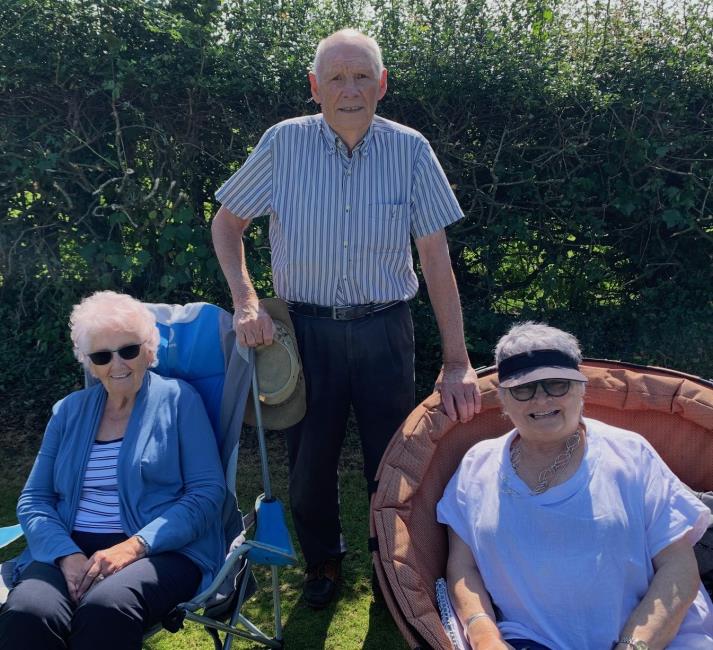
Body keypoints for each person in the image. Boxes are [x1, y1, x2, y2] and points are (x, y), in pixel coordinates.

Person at [211, 28, 481, 608]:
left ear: (382, 84)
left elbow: (435, 258)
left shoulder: (411, 149)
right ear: (315, 87)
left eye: (362, 76)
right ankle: (325, 564)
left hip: (387, 329)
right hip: (304, 334)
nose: (350, 89)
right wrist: (247, 300)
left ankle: (392, 570)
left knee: (396, 461)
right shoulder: (283, 144)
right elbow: (227, 224)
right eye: (336, 77)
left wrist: (457, 361)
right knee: (309, 466)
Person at [437, 321, 713, 650]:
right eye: (523, 388)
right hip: (530, 642)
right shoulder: (475, 465)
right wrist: (484, 635)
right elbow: (462, 567)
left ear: (582, 389)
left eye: (557, 384)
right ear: (503, 399)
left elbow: (679, 568)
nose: (541, 399)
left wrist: (633, 646)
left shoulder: (631, 454)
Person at [0, 291, 225, 650]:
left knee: (106, 608)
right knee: (29, 612)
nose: (117, 364)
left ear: (149, 349)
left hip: (159, 549)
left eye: (129, 350)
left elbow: (207, 492)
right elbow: (34, 499)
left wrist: (134, 547)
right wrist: (65, 553)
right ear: (90, 363)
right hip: (70, 546)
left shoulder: (180, 400)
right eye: (103, 356)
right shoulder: (68, 411)